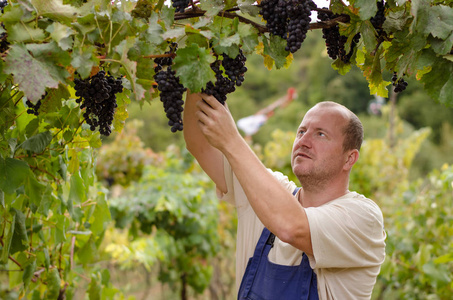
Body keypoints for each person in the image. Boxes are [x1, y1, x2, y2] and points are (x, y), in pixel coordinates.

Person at [183, 91, 386, 300]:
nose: (304, 141)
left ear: (349, 159)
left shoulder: (363, 218)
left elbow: (292, 227)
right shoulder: (266, 191)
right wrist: (200, 73)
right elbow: (200, 145)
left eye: (320, 134)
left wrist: (232, 140)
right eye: (301, 131)